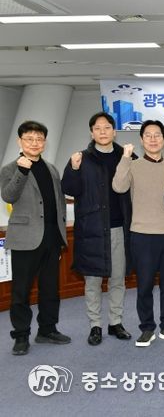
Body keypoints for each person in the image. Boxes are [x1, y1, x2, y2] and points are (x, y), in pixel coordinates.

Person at [62, 112, 133, 346]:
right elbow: (69, 189)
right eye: (97, 128)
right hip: (91, 229)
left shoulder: (127, 156)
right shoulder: (81, 158)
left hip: (119, 228)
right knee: (92, 281)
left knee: (117, 279)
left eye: (107, 127)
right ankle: (95, 325)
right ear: (92, 133)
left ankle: (115, 322)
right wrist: (73, 169)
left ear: (114, 131)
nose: (103, 132)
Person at [112, 120, 164, 347]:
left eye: (157, 135)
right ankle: (147, 328)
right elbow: (118, 186)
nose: (153, 139)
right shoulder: (132, 165)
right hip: (142, 234)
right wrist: (125, 158)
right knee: (144, 285)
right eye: (148, 135)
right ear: (141, 140)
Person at [1, 121, 70, 355]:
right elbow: (8, 196)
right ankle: (21, 336)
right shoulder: (10, 169)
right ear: (20, 141)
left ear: (44, 143)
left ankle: (47, 330)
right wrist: (22, 171)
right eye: (29, 138)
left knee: (50, 289)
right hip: (25, 238)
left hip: (51, 238)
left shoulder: (51, 168)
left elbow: (59, 202)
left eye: (39, 139)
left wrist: (61, 235)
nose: (34, 143)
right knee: (21, 291)